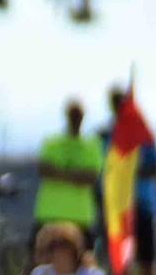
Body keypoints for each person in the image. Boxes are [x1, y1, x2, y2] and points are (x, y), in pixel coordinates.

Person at [99, 85, 156, 275]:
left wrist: (132, 171)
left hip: (142, 205)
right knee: (116, 263)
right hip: (115, 208)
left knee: (147, 263)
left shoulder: (142, 134)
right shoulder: (104, 135)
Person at [35, 100, 104, 249]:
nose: (75, 120)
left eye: (78, 116)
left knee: (84, 265)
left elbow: (90, 177)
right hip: (50, 214)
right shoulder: (51, 142)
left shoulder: (91, 145)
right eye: (73, 116)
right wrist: (75, 175)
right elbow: (44, 170)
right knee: (38, 262)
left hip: (80, 216)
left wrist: (59, 173)